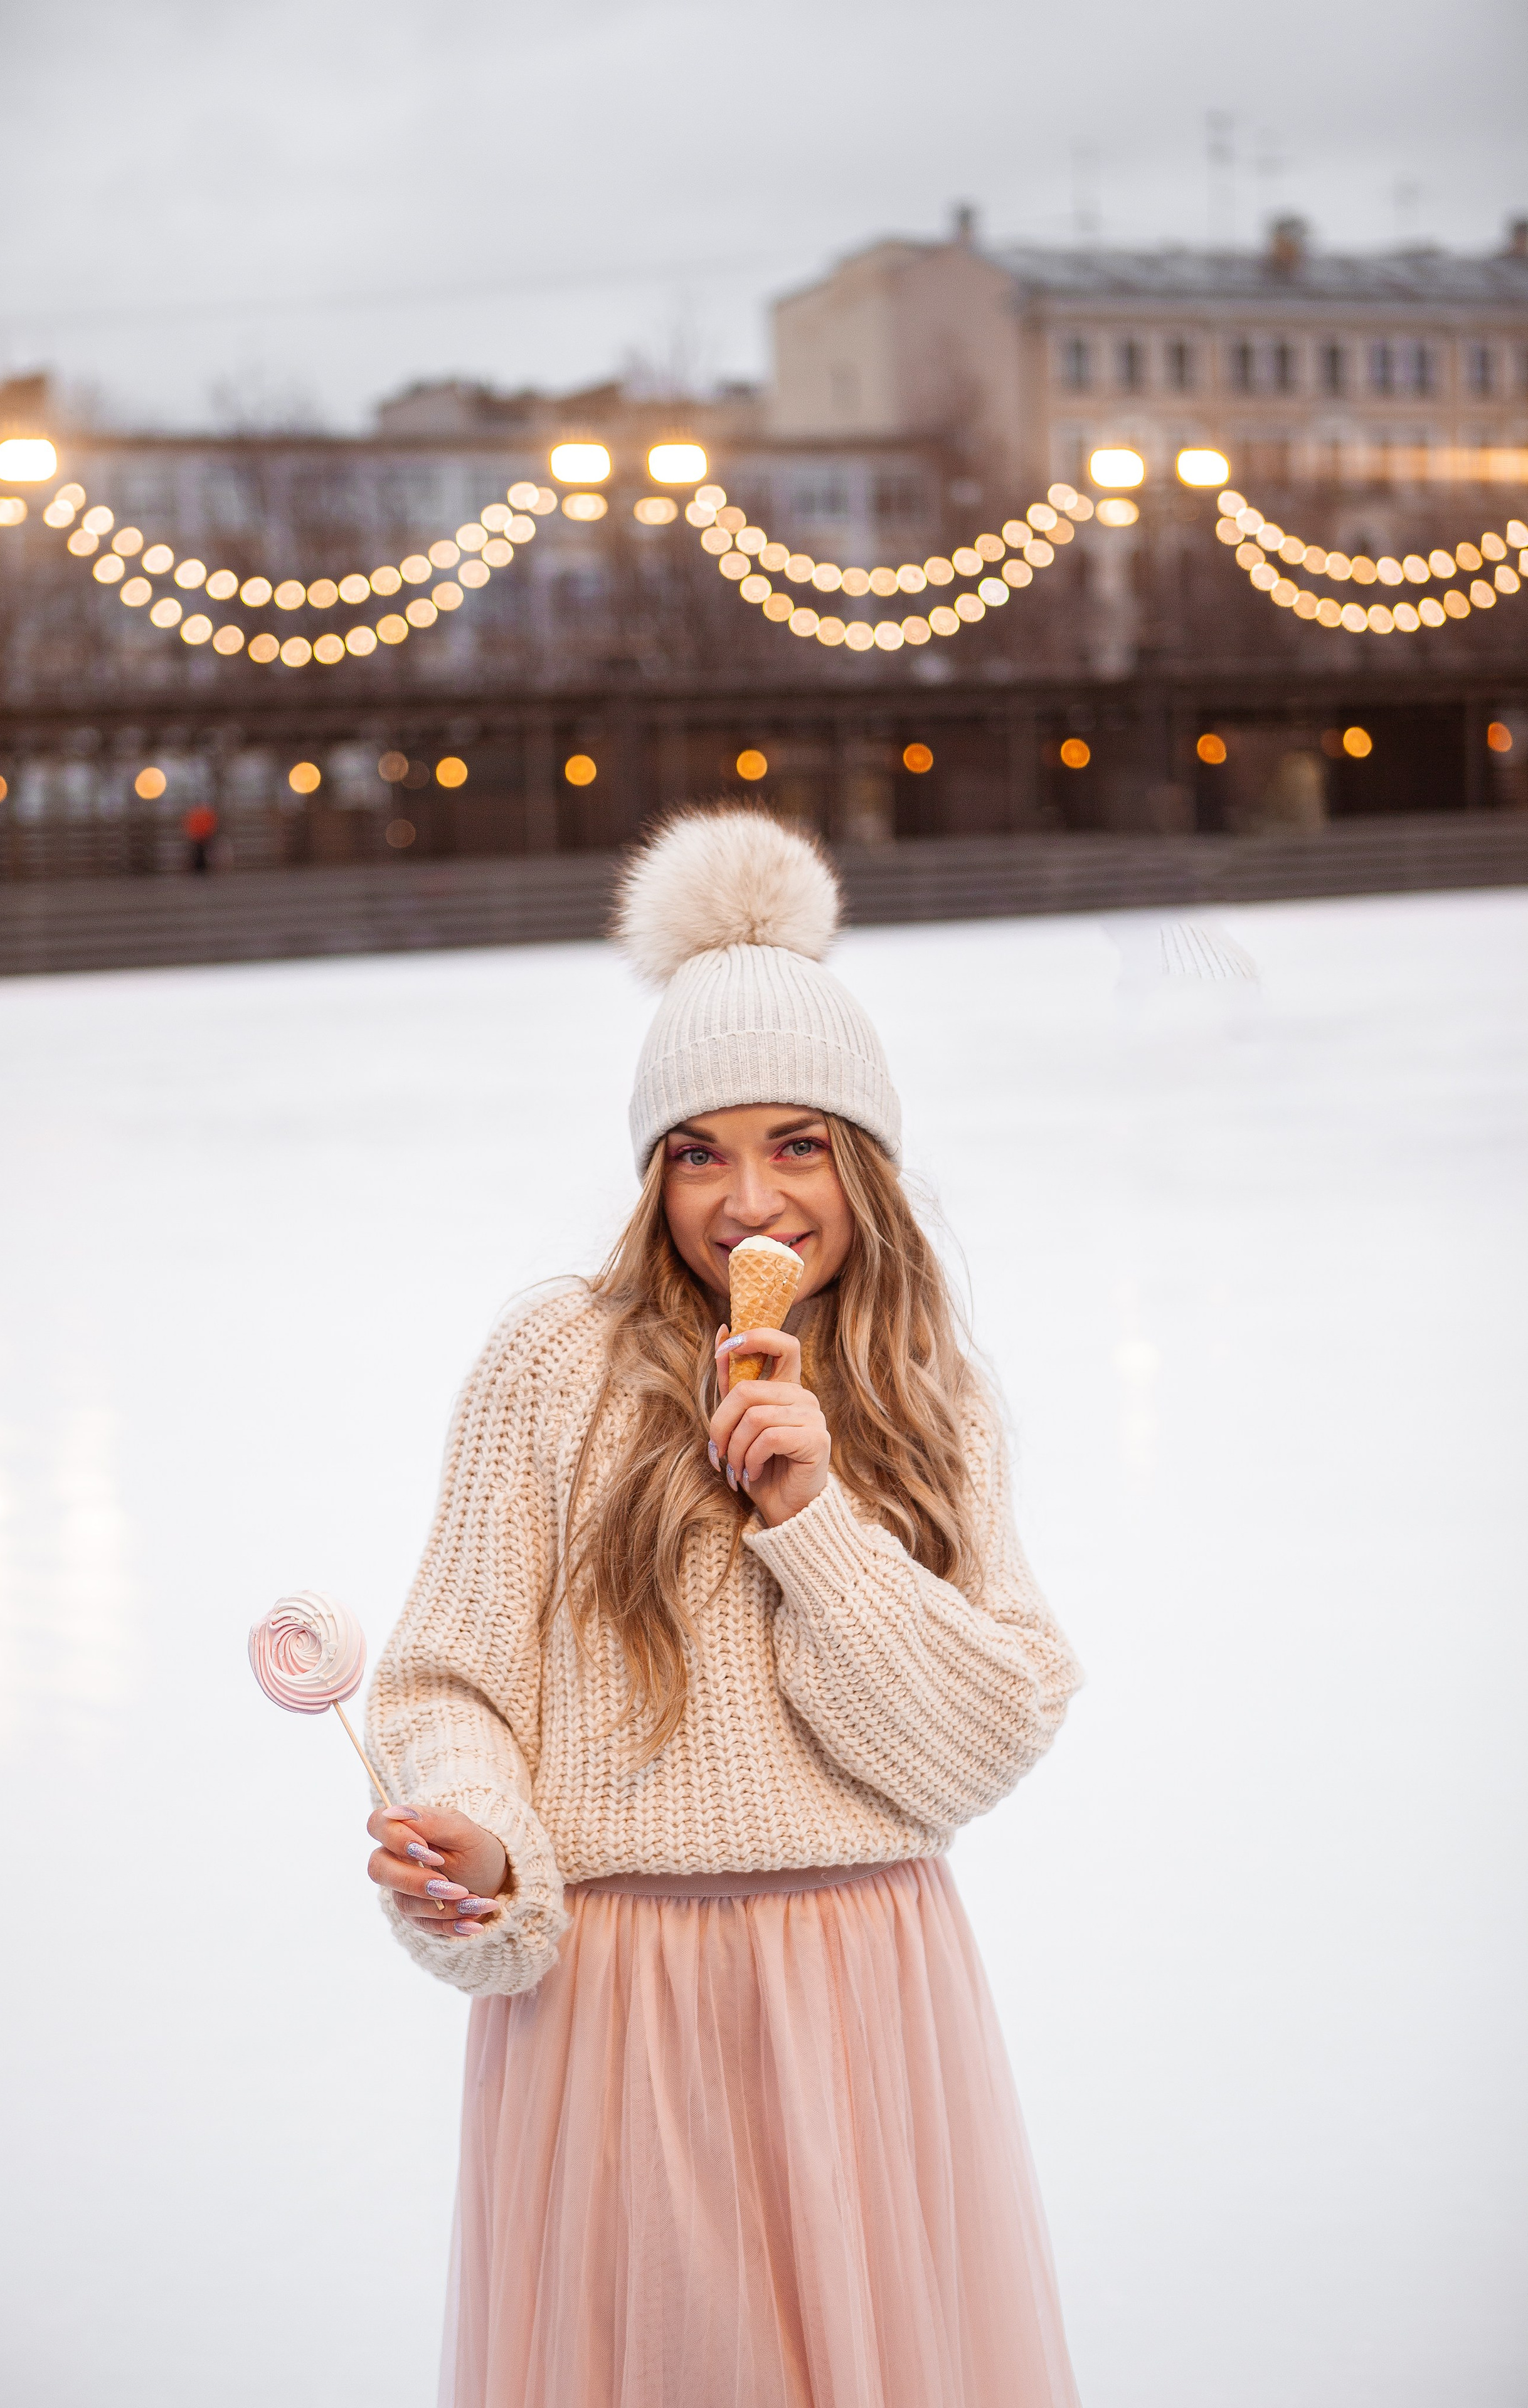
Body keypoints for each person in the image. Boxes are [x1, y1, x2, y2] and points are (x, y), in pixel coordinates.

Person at [364, 807, 1083, 2408]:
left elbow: (979, 1739)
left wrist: (809, 1515)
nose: (745, 1200)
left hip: (865, 1997)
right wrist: (479, 1831)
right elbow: (441, 1683)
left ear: (866, 1163)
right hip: (620, 2013)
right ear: (649, 1175)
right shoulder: (552, 1361)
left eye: (797, 1144)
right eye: (696, 1151)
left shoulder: (919, 1389)